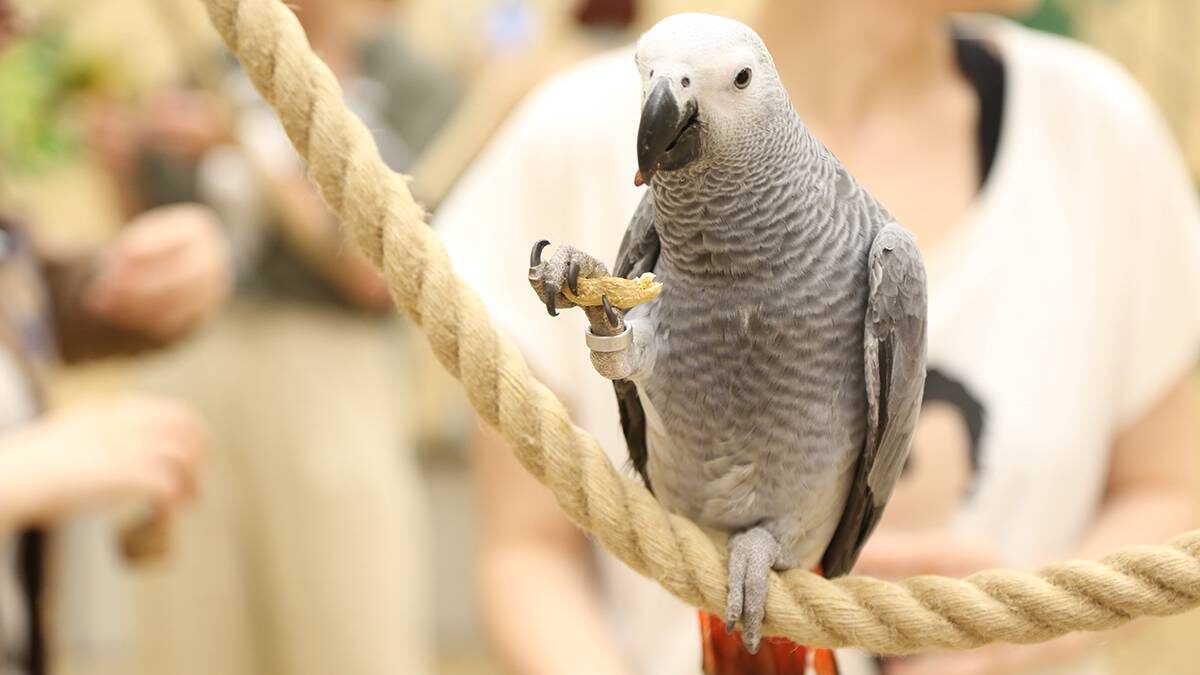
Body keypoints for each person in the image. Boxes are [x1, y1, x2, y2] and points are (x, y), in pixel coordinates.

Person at [435, 1, 1200, 674]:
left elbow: (1173, 488)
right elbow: (524, 548)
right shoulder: (574, 136)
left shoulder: (1102, 131)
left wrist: (1010, 630)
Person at [84, 1, 460, 674]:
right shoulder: (211, 69)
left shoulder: (407, 82)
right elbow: (159, 239)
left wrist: (243, 144)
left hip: (327, 371)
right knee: (191, 627)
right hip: (196, 362)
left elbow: (373, 276)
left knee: (344, 621)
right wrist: (119, 165)